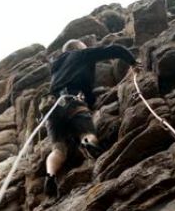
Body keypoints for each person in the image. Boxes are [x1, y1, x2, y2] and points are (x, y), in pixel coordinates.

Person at [43, 39, 139, 197]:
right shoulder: (81, 54)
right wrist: (133, 62)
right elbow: (114, 48)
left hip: (52, 111)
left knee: (58, 149)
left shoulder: (56, 66)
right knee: (86, 133)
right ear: (79, 47)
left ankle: (51, 175)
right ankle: (88, 144)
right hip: (73, 100)